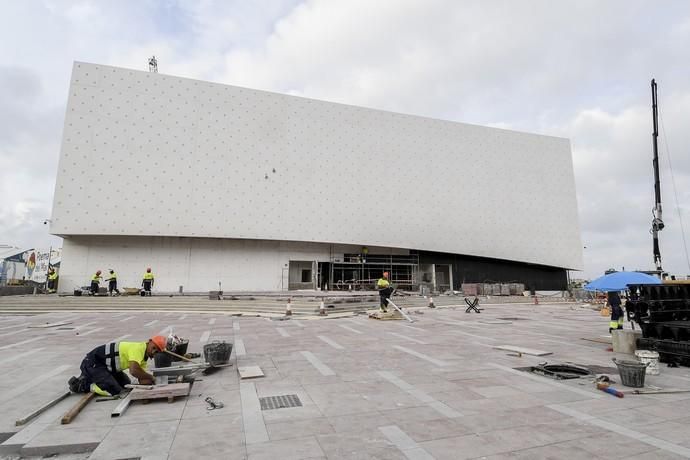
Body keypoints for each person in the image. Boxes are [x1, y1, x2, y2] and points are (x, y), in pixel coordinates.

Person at [68, 336, 167, 396]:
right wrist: (151, 377)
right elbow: (134, 371)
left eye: (157, 351)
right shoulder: (138, 348)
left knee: (125, 384)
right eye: (154, 348)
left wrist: (151, 383)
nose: (154, 352)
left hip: (107, 367)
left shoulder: (143, 359)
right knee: (114, 390)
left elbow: (142, 378)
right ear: (149, 342)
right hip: (93, 363)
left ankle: (92, 377)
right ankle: (82, 385)